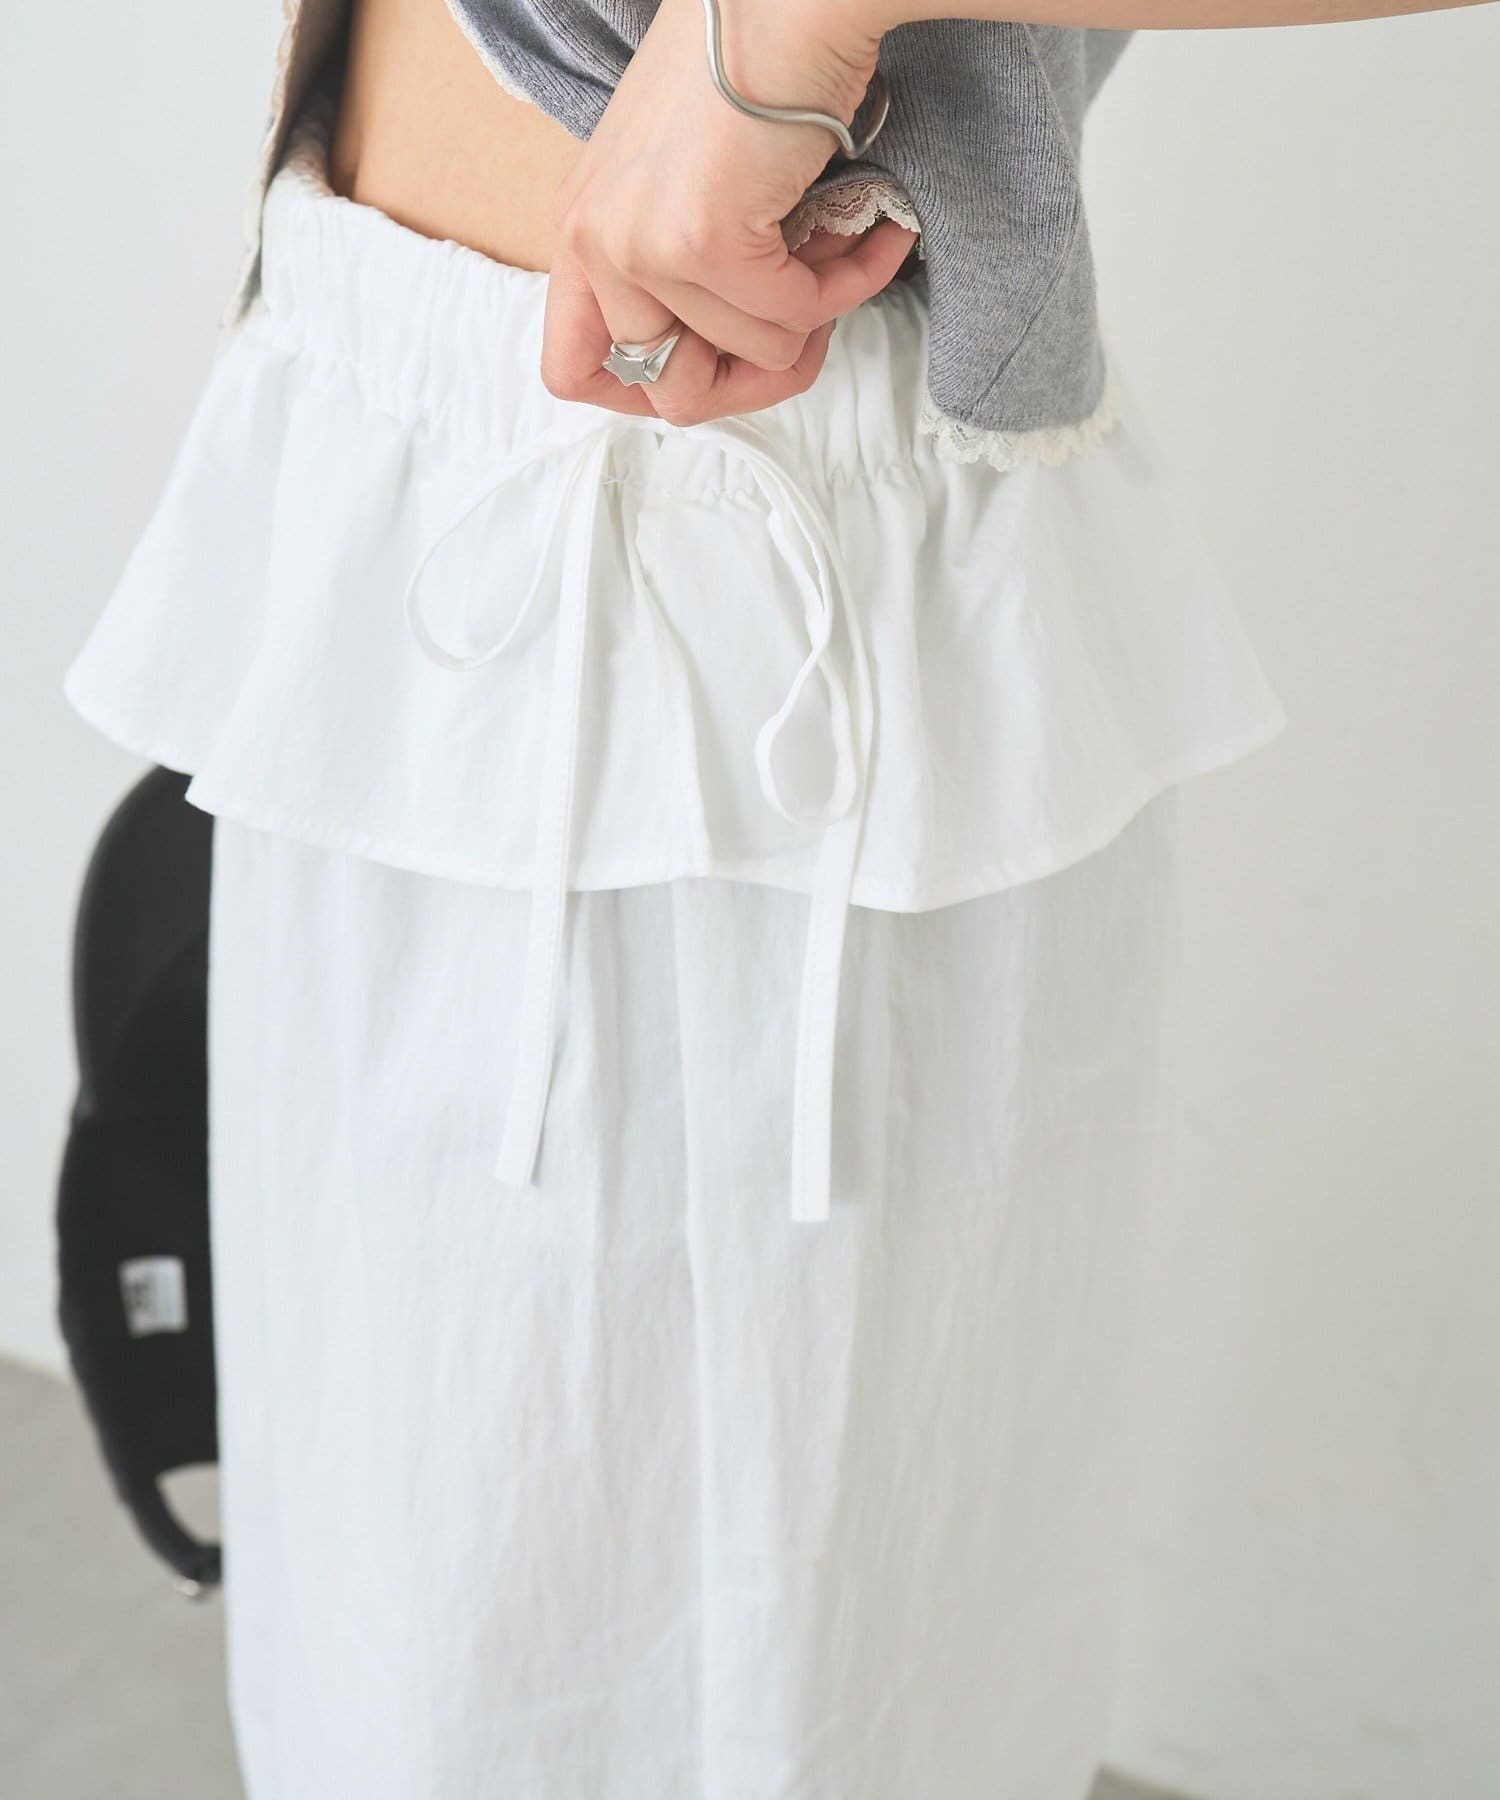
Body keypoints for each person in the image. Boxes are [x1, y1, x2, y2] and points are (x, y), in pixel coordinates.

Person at [64, 0, 1484, 1793]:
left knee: (849, 1676)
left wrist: (785, 26)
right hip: (384, 427)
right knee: (403, 1665)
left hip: (831, 583)